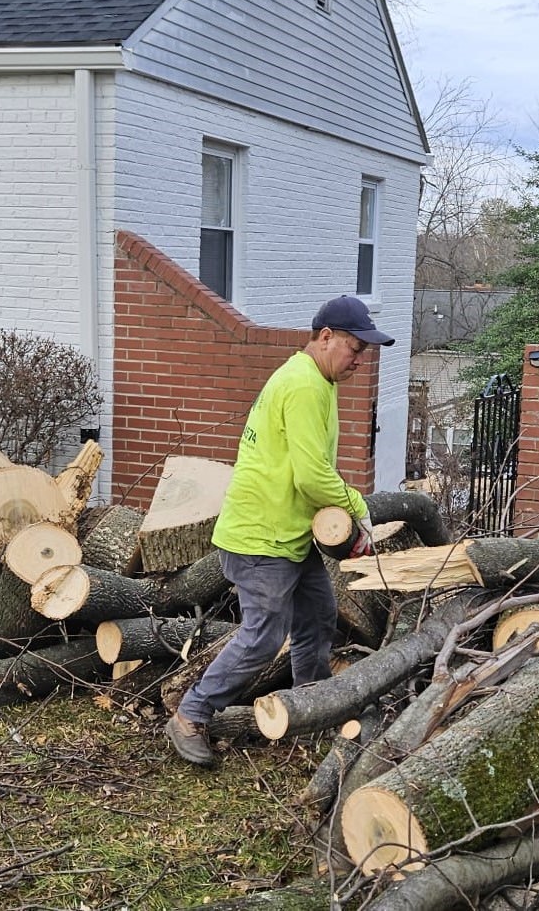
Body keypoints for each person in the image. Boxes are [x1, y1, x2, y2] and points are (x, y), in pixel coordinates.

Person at [165, 295, 395, 767]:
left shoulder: (318, 380)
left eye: (364, 352)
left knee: (317, 616)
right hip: (260, 538)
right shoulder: (304, 385)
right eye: (354, 348)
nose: (359, 360)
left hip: (288, 534)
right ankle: (190, 715)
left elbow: (307, 472)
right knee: (265, 636)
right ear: (325, 337)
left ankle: (309, 708)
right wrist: (357, 507)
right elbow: (312, 477)